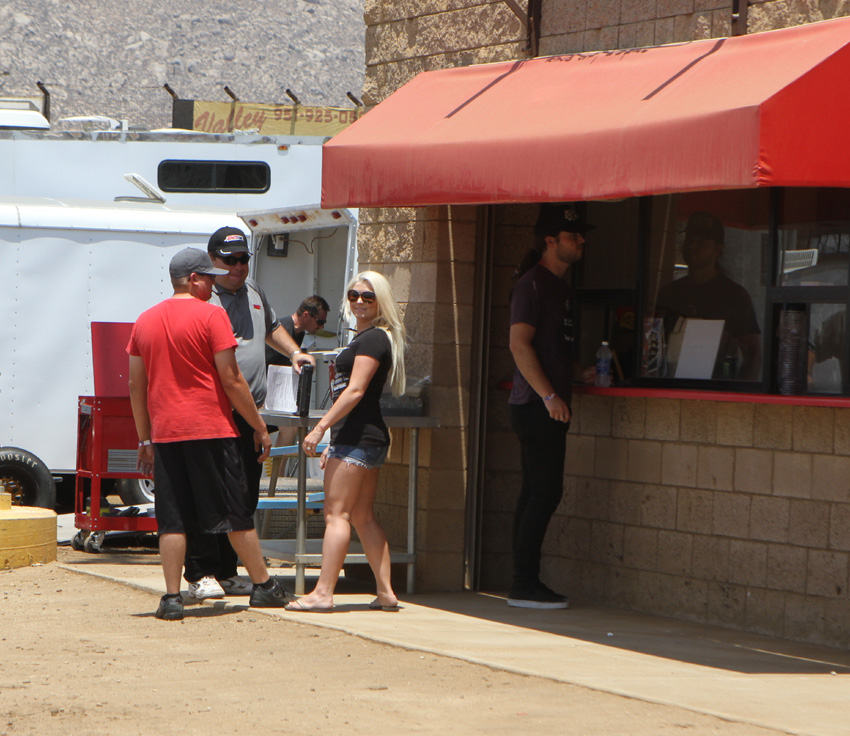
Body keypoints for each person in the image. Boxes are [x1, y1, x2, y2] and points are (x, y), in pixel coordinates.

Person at [127, 247, 294, 620]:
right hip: (211, 430)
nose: (213, 286)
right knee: (235, 511)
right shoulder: (212, 315)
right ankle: (264, 586)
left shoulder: (145, 320)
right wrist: (259, 426)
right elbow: (232, 379)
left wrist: (144, 439)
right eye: (208, 279)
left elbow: (136, 385)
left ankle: (172, 597)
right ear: (194, 280)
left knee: (172, 519)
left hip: (166, 433)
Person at [182, 226, 316, 600]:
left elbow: (271, 328)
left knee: (243, 497)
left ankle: (227, 571)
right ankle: (200, 572)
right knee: (209, 495)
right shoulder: (204, 300)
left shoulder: (253, 290)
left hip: (251, 412)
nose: (238, 267)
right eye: (230, 260)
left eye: (243, 259)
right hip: (214, 413)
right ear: (212, 261)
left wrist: (294, 353)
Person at [285, 271, 406, 612]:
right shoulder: (369, 338)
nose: (359, 302)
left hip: (358, 437)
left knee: (336, 515)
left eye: (368, 297)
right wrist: (332, 440)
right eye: (354, 295)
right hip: (361, 438)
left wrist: (320, 428)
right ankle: (386, 592)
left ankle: (323, 593)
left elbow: (355, 391)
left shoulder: (373, 340)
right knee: (362, 517)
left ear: (381, 301)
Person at [507, 204, 595, 610]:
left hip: (548, 404)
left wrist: (579, 372)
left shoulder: (560, 288)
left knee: (536, 493)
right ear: (550, 241)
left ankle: (523, 582)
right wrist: (548, 396)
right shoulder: (532, 285)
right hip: (535, 406)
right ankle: (524, 584)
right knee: (544, 493)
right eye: (572, 236)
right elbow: (519, 344)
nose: (581, 241)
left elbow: (552, 348)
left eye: (580, 235)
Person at [656, 212, 762, 381]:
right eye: (690, 240)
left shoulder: (734, 296)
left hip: (717, 387)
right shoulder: (669, 293)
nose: (693, 246)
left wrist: (738, 390)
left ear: (717, 248)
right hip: (671, 386)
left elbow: (753, 354)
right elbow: (655, 345)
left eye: (702, 242)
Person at [266, 295, 331, 367]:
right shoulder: (283, 329)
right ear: (305, 315)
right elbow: (264, 361)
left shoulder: (300, 333)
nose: (322, 327)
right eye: (320, 322)